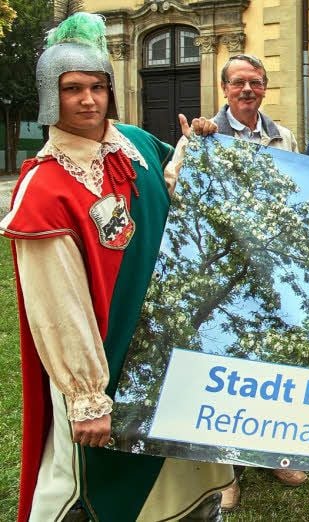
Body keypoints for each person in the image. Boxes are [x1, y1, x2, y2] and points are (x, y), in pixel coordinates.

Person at [0, 13, 232, 521]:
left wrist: (201, 145)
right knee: (93, 491)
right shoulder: (47, 188)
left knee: (179, 475)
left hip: (166, 350)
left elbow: (178, 188)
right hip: (107, 364)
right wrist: (87, 396)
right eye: (72, 88)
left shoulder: (137, 145)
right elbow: (56, 304)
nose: (88, 99)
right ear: (49, 96)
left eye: (98, 86)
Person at [207, 53, 308, 510]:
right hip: (225, 269)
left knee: (273, 360)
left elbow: (299, 189)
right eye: (239, 83)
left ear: (265, 87)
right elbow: (177, 188)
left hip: (271, 265)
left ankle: (275, 451)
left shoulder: (282, 137)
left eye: (256, 82)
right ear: (225, 89)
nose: (248, 90)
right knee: (227, 364)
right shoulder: (204, 135)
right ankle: (226, 471)